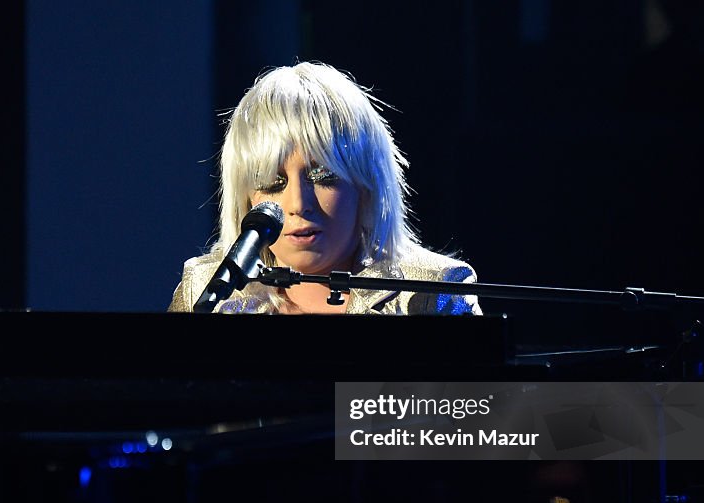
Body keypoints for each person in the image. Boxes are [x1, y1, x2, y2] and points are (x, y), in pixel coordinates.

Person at [167, 61, 481, 315]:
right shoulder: (206, 291)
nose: (297, 204)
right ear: (246, 197)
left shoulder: (431, 293)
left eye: (322, 177)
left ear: (366, 185)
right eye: (272, 183)